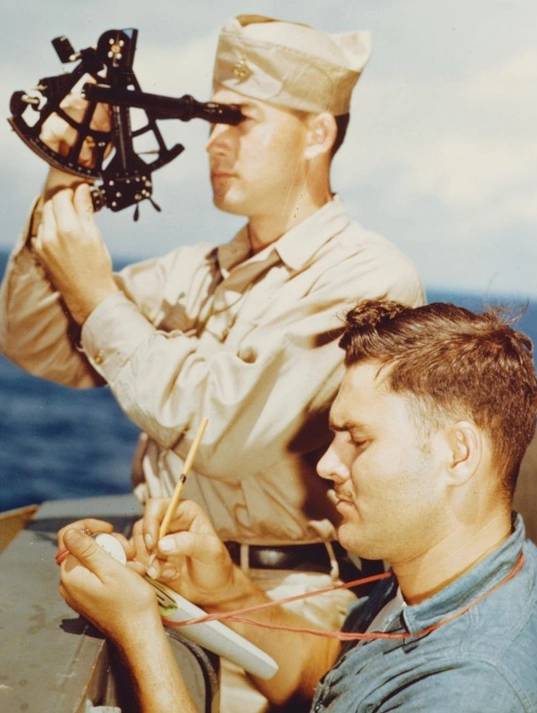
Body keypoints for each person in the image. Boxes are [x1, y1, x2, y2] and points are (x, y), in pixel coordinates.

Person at [0, 13, 423, 673]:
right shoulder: (199, 270)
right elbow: (35, 342)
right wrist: (68, 170)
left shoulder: (368, 279)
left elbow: (224, 432)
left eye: (240, 120)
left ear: (317, 131)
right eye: (211, 123)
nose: (212, 144)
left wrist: (95, 296)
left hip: (286, 609)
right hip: (166, 577)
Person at [58, 300, 537, 713]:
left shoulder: (471, 689)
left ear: (457, 454)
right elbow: (334, 678)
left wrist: (139, 632)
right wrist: (224, 594)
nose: (327, 465)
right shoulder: (455, 572)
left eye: (358, 439)